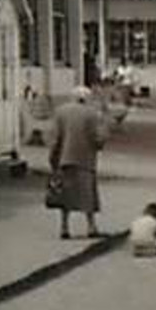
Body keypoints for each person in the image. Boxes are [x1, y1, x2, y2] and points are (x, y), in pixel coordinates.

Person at [48, 86, 108, 240]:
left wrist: (53, 159)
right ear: (87, 99)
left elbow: (55, 138)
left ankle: (64, 227)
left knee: (65, 195)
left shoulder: (60, 112)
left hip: (64, 158)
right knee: (87, 194)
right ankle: (91, 226)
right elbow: (99, 139)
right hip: (86, 160)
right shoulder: (92, 114)